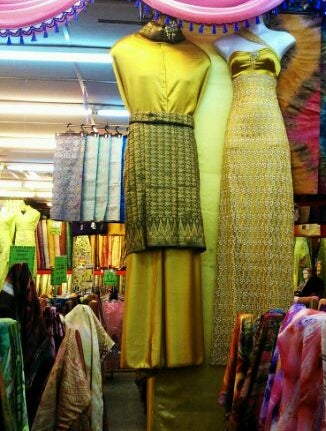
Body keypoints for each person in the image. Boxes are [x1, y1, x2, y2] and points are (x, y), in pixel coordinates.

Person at [110, 13, 209, 369]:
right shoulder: (123, 50)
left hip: (181, 144)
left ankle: (182, 346)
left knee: (183, 245)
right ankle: (144, 348)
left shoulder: (200, 58)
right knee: (145, 247)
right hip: (146, 145)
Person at [210, 16, 297, 365]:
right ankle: (236, 340)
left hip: (271, 133)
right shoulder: (224, 42)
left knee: (272, 224)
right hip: (238, 134)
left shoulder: (283, 39)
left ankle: (274, 338)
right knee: (236, 226)